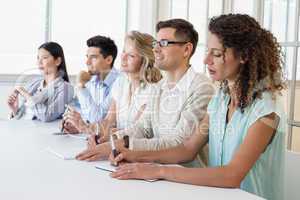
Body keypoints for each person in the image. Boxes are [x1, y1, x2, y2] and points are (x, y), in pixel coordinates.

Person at [110, 14, 286, 200]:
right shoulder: (220, 100)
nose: (206, 60)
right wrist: (133, 156)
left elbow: (232, 175)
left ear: (244, 55)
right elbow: (187, 149)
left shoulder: (267, 110)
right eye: (208, 51)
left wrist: (159, 170)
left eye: (216, 54)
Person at [76, 19, 214, 165]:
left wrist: (123, 145)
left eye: (164, 43)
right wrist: (112, 140)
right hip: (156, 173)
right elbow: (143, 128)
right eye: (156, 43)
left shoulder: (201, 87)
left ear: (186, 50)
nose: (155, 49)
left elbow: (178, 143)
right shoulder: (159, 87)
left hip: (185, 179)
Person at [65, 31, 162, 143]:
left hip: (136, 151)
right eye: (124, 51)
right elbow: (108, 122)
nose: (123, 57)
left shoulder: (152, 90)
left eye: (131, 55)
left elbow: (133, 133)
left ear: (145, 61)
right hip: (118, 147)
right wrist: (82, 126)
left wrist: (86, 128)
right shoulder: (121, 82)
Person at [62, 35, 119, 133]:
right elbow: (84, 112)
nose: (87, 62)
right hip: (93, 135)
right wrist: (74, 123)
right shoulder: (92, 79)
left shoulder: (119, 82)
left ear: (109, 60)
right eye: (87, 57)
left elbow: (97, 119)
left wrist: (81, 86)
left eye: (93, 58)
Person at [7, 42, 74, 122]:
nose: (39, 62)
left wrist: (27, 95)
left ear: (58, 61)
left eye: (44, 58)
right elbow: (23, 116)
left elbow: (47, 116)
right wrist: (15, 110)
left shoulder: (66, 88)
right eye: (38, 58)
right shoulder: (34, 83)